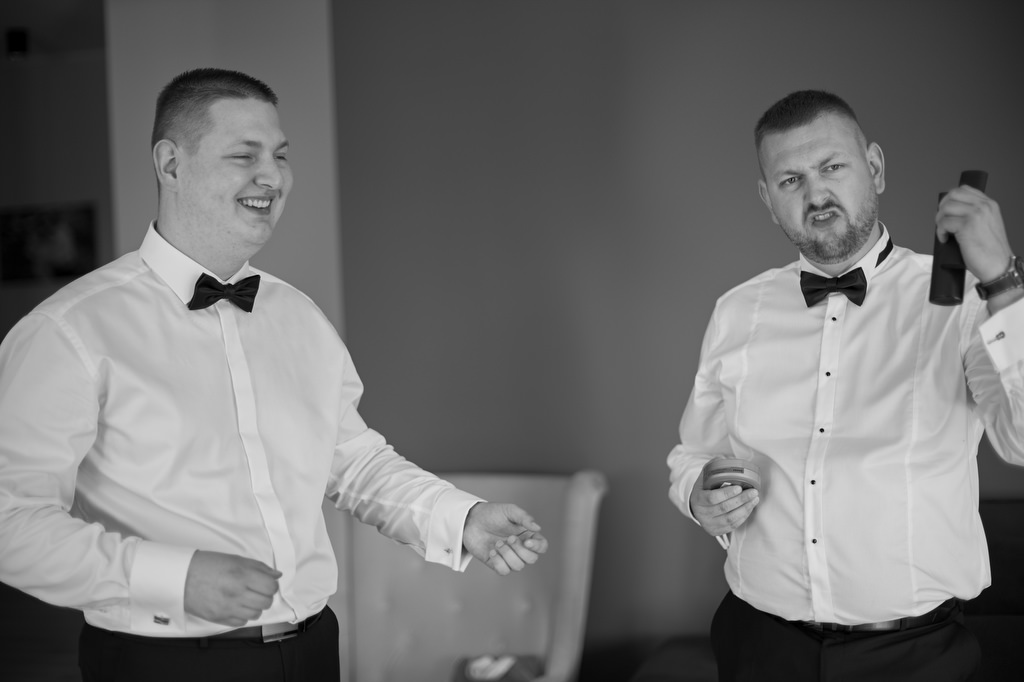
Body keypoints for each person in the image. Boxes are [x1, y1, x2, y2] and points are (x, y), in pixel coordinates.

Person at [0, 67, 548, 682]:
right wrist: (170, 577)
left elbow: (354, 462)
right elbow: (9, 520)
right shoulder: (67, 330)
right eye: (245, 155)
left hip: (313, 650)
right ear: (171, 165)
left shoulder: (300, 317)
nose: (273, 177)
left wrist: (460, 518)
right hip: (162, 664)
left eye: (281, 156)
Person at [667, 90, 1024, 681]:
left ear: (874, 168)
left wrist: (1004, 284)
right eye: (790, 180)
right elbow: (693, 454)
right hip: (758, 644)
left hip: (915, 657)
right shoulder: (737, 311)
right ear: (768, 199)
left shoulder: (963, 300)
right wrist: (696, 494)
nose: (816, 195)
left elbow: (1021, 441)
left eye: (832, 167)